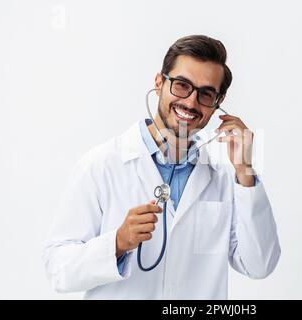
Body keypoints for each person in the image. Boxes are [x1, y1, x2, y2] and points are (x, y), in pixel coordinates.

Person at [42, 35, 281, 299]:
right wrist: (118, 243)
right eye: (182, 85)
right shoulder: (101, 166)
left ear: (218, 102)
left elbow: (259, 265)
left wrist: (244, 170)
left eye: (205, 94)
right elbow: (58, 268)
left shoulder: (225, 178)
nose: (190, 102)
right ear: (159, 82)